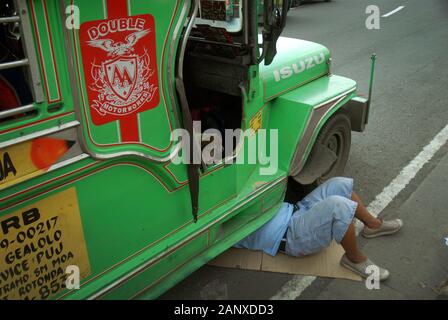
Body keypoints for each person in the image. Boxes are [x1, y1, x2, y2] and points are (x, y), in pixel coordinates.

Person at [235, 177, 403, 280]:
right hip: (292, 235)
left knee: (340, 184)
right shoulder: (218, 220)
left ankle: (373, 225)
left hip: (296, 210)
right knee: (339, 207)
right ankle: (354, 259)